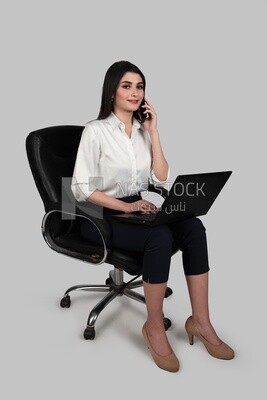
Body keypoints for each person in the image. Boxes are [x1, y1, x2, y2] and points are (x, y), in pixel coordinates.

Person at [71, 60, 235, 372]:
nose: (135, 92)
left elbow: (160, 180)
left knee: (193, 227)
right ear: (111, 92)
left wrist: (154, 133)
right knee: (159, 235)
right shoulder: (96, 132)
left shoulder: (142, 133)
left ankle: (201, 321)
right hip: (98, 216)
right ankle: (154, 327)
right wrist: (128, 207)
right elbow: (81, 190)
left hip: (135, 208)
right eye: (126, 85)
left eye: (140, 86)